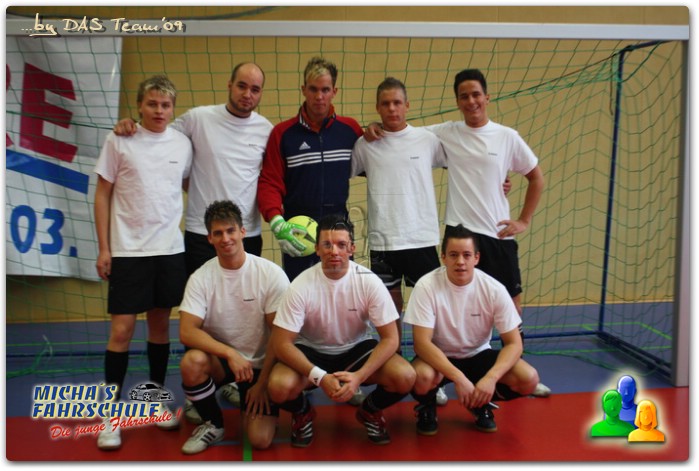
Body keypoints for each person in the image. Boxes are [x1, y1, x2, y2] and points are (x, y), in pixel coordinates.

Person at [368, 68, 549, 397]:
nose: (471, 101)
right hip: (460, 234)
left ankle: (511, 371)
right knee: (448, 307)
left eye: (476, 94)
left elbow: (536, 176)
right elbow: (402, 133)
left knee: (512, 308)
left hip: (497, 235)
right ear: (457, 101)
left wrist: (523, 220)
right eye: (464, 96)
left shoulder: (507, 136)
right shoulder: (445, 134)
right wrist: (372, 128)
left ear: (487, 97)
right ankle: (437, 374)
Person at [114, 62, 272, 415]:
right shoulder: (198, 119)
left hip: (248, 234)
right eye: (242, 86)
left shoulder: (266, 130)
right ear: (229, 84)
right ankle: (198, 391)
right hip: (202, 235)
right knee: (203, 313)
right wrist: (129, 124)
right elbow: (156, 134)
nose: (247, 94)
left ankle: (235, 381)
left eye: (255, 89)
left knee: (245, 315)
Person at [93, 75, 193, 450]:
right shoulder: (119, 139)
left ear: (173, 108)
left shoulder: (182, 143)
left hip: (169, 251)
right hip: (128, 252)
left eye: (165, 105)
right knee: (121, 332)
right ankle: (110, 415)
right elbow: (102, 194)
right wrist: (104, 248)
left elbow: (186, 185)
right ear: (139, 105)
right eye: (152, 104)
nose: (159, 111)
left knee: (160, 328)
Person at [266, 214, 416, 447]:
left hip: (356, 348)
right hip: (311, 350)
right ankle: (303, 413)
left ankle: (369, 411)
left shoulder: (368, 281)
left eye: (341, 244)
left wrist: (359, 377)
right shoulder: (301, 285)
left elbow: (391, 338)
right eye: (327, 244)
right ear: (317, 249)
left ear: (352, 248)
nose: (334, 251)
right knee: (278, 387)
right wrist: (319, 377)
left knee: (405, 376)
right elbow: (282, 343)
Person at [351, 77, 449, 406]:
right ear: (378, 108)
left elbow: (464, 163)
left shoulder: (427, 140)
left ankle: (432, 376)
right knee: (389, 313)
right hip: (383, 242)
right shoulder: (365, 145)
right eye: (385, 103)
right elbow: (340, 172)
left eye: (397, 102)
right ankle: (393, 371)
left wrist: (500, 179)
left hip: (421, 240)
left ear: (407, 105)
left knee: (428, 313)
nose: (392, 108)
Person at [404, 225, 541, 435]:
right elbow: (422, 343)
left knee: (528, 378)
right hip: (439, 356)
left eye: (466, 255)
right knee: (421, 378)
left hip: (478, 354)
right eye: (453, 255)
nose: (460, 261)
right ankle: (427, 406)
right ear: (443, 257)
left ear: (476, 258)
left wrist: (491, 378)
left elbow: (514, 343)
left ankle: (479, 402)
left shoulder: (494, 289)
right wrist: (459, 378)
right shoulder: (426, 286)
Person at [178, 200, 290, 454]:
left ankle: (260, 398)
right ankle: (213, 424)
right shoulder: (201, 278)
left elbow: (280, 337)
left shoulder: (269, 274)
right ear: (209, 238)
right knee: (192, 362)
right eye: (218, 233)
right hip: (226, 363)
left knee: (260, 440)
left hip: (261, 365)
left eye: (230, 231)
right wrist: (230, 354)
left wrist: (262, 384)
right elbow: (187, 331)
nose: (225, 238)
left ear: (242, 232)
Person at [257, 56, 364, 282]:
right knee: (300, 294)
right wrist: (276, 222)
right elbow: (269, 182)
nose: (319, 96)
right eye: (313, 89)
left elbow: (375, 163)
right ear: (303, 89)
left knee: (342, 293)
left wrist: (378, 131)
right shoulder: (282, 134)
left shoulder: (350, 130)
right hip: (298, 232)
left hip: (338, 228)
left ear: (334, 91)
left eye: (325, 90)